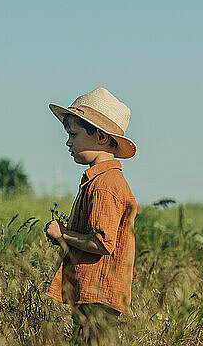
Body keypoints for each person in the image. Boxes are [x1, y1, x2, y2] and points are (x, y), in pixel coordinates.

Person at [44, 87, 138, 345]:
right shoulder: (99, 181)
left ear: (100, 137)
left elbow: (101, 242)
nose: (68, 143)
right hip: (92, 293)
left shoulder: (105, 185)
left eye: (73, 135)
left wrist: (61, 233)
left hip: (98, 294)